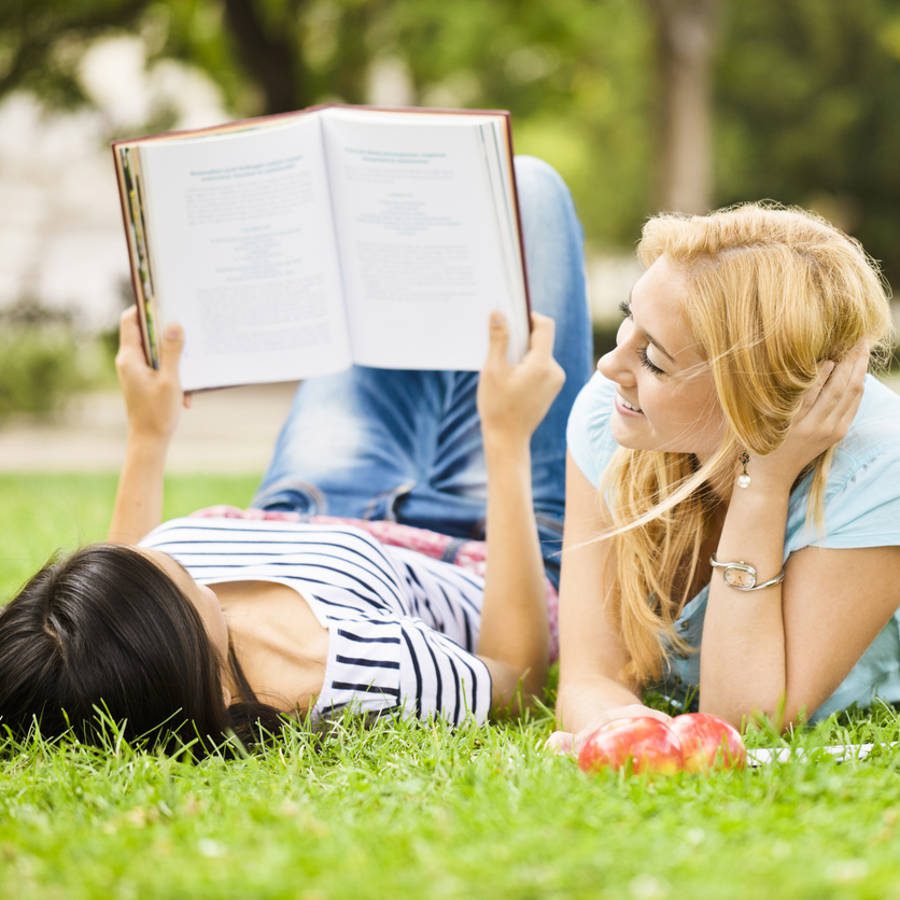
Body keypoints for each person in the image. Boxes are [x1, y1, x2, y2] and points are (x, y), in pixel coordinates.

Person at [0, 157, 593, 754]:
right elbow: (514, 677)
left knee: (372, 242)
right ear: (171, 655)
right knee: (527, 195)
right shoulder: (352, 673)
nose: (136, 557)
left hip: (311, 498)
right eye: (143, 578)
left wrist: (148, 433)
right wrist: (506, 438)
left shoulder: (130, 618)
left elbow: (127, 569)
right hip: (481, 534)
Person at [552, 202, 900, 751]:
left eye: (654, 360)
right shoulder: (609, 417)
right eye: (628, 318)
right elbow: (589, 676)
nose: (609, 367)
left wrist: (762, 483)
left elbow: (745, 720)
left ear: (750, 393)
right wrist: (628, 737)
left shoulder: (881, 469)